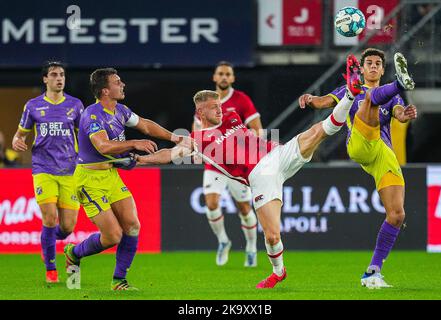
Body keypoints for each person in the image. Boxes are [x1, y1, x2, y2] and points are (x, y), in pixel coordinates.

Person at [138, 54, 370, 289]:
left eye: (220, 105)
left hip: (277, 155)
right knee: (272, 236)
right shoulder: (197, 140)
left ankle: (351, 93)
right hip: (259, 178)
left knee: (319, 130)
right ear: (200, 114)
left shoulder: (231, 115)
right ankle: (278, 272)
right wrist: (140, 160)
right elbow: (169, 154)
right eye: (213, 108)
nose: (220, 110)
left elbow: (254, 127)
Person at [63, 68, 192, 291]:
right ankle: (73, 253)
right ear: (105, 90)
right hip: (89, 180)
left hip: (111, 175)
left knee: (132, 226)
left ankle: (119, 281)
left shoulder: (120, 111)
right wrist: (134, 143)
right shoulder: (92, 115)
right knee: (113, 236)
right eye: (117, 82)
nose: (122, 84)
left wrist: (175, 137)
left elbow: (145, 125)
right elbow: (102, 146)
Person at [298, 49, 417, 289]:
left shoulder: (393, 98)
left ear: (382, 69)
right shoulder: (347, 90)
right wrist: (310, 98)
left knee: (397, 215)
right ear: (362, 69)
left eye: (377, 64)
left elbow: (400, 115)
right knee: (371, 97)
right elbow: (321, 103)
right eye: (369, 63)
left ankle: (372, 272)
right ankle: (400, 82)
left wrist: (406, 114)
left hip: (384, 154)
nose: (373, 67)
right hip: (359, 145)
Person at [11, 61, 84, 283]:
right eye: (54, 75)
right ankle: (51, 269)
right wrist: (16, 140)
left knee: (68, 227)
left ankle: (48, 241)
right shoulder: (33, 106)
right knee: (50, 218)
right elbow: (20, 134)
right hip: (43, 169)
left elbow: (83, 135)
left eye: (62, 74)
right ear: (45, 79)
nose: (59, 78)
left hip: (70, 170)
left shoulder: (75, 105)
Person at [192, 61, 263, 267]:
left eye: (228, 74)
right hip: (214, 164)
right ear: (214, 77)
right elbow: (196, 128)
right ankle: (223, 241)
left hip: (238, 165)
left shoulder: (241, 100)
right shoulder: (205, 101)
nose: (224, 77)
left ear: (232, 78)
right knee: (212, 204)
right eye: (220, 73)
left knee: (244, 208)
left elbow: (257, 128)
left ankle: (251, 247)